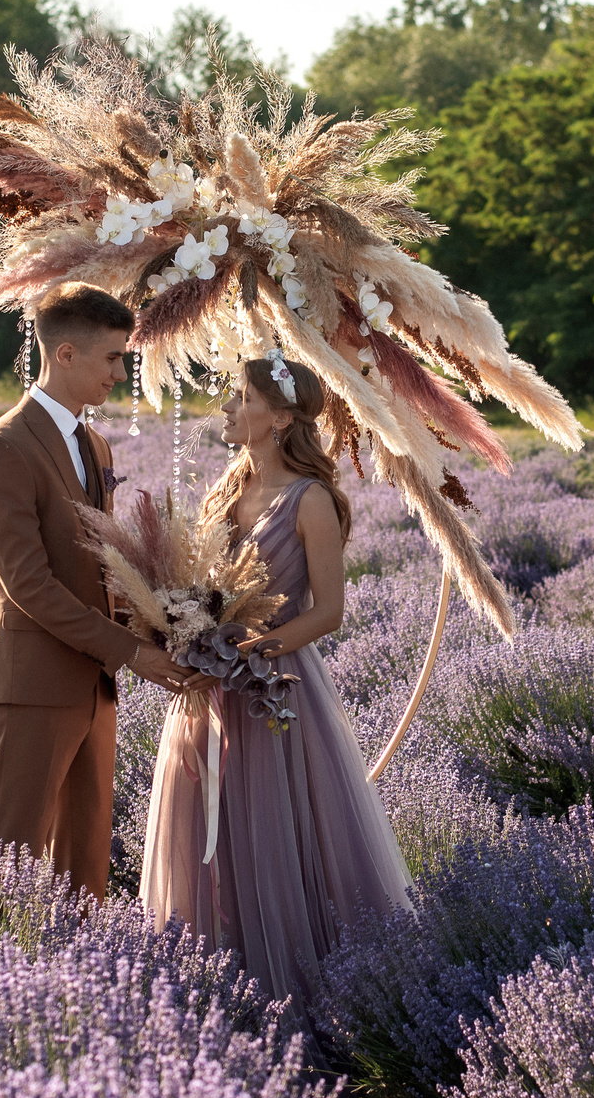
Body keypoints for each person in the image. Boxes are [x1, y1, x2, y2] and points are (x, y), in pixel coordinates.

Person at [139, 353, 412, 1012]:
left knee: (276, 826)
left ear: (281, 416)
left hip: (273, 685)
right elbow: (200, 582)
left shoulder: (310, 499)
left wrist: (259, 649)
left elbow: (328, 610)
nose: (229, 410)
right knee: (213, 825)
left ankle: (299, 991)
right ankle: (210, 984)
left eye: (242, 399)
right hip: (212, 687)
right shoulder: (227, 486)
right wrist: (184, 629)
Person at [0, 283, 200, 898]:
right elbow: (27, 586)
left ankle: (80, 988)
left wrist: (167, 622)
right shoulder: (3, 447)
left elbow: (100, 568)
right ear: (65, 354)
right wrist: (130, 653)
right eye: (113, 359)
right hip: (32, 686)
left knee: (85, 872)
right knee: (7, 873)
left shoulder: (92, 443)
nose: (122, 374)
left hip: (94, 687)